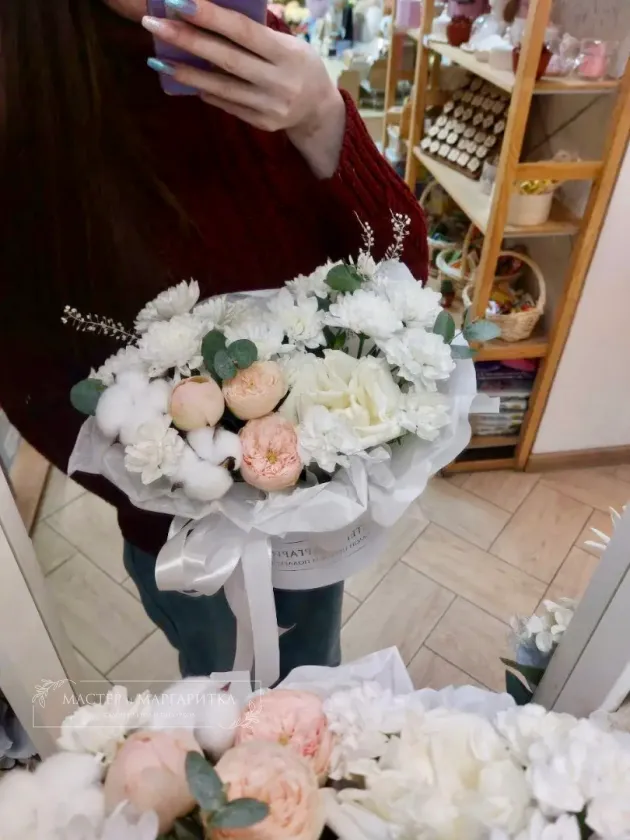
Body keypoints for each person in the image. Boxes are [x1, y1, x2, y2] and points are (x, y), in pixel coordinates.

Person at [0, 0, 427, 679]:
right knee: (225, 697)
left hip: (312, 506)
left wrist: (323, 118)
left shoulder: (257, 47)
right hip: (184, 533)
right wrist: (179, 480)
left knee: (316, 676)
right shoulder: (29, 93)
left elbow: (401, 280)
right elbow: (31, 380)